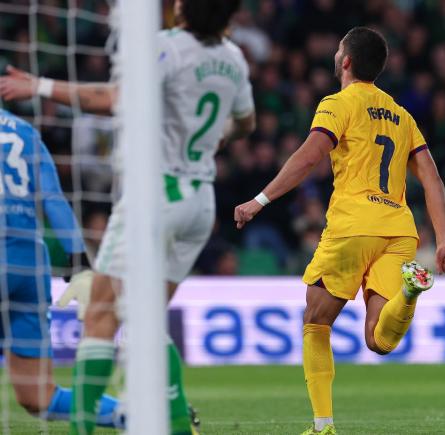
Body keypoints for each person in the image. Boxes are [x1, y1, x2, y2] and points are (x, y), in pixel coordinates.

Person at [0, 1, 255, 433]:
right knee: (142, 322)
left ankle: (89, 427)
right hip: (198, 201)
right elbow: (245, 124)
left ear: (181, 10)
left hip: (158, 194)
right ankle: (149, 417)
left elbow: (116, 99)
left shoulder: (165, 47)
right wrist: (78, 258)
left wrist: (41, 86)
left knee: (102, 316)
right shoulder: (233, 57)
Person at [234, 27, 445, 435]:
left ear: (347, 61)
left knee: (316, 321)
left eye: (339, 48)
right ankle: (410, 291)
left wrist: (259, 200)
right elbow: (432, 179)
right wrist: (443, 238)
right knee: (379, 339)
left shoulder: (338, 103)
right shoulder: (401, 115)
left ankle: (323, 427)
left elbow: (309, 157)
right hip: (400, 231)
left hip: (354, 226)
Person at [0, 108, 120, 428]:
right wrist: (79, 264)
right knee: (38, 397)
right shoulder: (24, 131)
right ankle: (139, 414)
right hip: (29, 268)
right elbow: (53, 198)